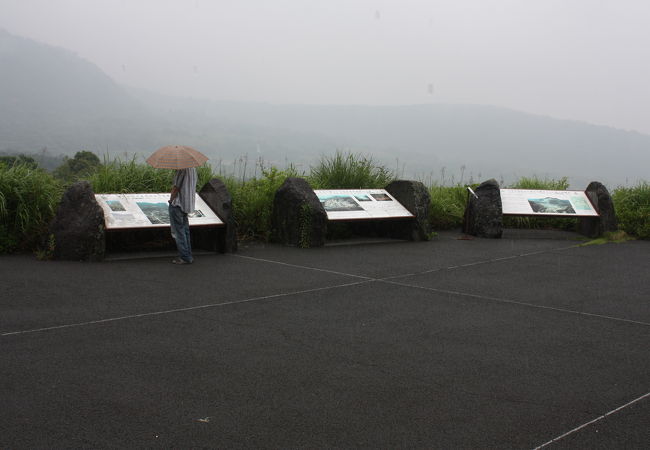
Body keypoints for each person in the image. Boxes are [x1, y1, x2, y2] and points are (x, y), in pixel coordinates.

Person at [168, 167, 197, 264]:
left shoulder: (181, 169)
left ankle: (184, 257)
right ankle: (188, 255)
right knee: (185, 231)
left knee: (179, 232)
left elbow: (176, 187)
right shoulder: (193, 168)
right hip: (187, 204)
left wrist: (171, 199)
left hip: (178, 204)